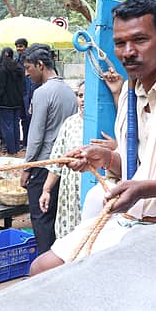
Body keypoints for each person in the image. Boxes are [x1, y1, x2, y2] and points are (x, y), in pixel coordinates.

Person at [30, 0, 156, 274]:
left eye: (139, 40)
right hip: (136, 217)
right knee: (42, 268)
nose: (127, 52)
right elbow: (136, 166)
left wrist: (144, 189)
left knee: (48, 271)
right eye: (120, 43)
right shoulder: (130, 96)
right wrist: (106, 158)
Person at [20, 44, 78, 255]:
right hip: (64, 165)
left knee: (41, 217)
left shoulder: (42, 93)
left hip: (44, 165)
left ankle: (46, 263)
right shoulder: (69, 91)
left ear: (40, 65)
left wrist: (27, 167)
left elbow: (35, 137)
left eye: (28, 68)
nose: (27, 74)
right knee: (56, 215)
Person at [40, 81, 86, 240]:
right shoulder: (69, 123)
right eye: (80, 95)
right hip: (70, 194)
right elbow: (57, 161)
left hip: (89, 190)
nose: (83, 100)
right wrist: (46, 190)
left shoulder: (104, 123)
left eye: (87, 96)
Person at [0, 46, 25, 155]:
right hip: (17, 101)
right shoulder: (19, 68)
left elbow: (0, 87)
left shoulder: (1, 69)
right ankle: (16, 148)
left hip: (4, 103)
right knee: (15, 125)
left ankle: (11, 150)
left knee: (7, 126)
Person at [15, 38, 34, 148]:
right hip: (20, 93)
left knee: (29, 118)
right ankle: (25, 141)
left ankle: (30, 142)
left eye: (21, 46)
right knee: (23, 119)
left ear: (26, 47)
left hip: (29, 93)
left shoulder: (30, 60)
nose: (19, 49)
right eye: (17, 46)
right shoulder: (16, 61)